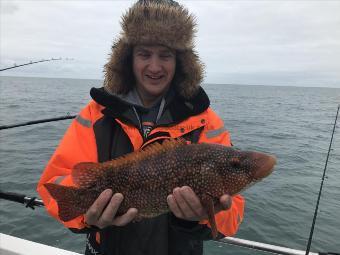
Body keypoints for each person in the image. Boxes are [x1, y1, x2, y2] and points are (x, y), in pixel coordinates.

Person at [37, 0, 245, 254]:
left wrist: (200, 217)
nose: (155, 67)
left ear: (180, 62)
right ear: (128, 59)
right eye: (144, 54)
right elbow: (55, 186)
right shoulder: (96, 114)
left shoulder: (206, 122)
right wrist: (87, 216)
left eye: (165, 55)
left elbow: (232, 215)